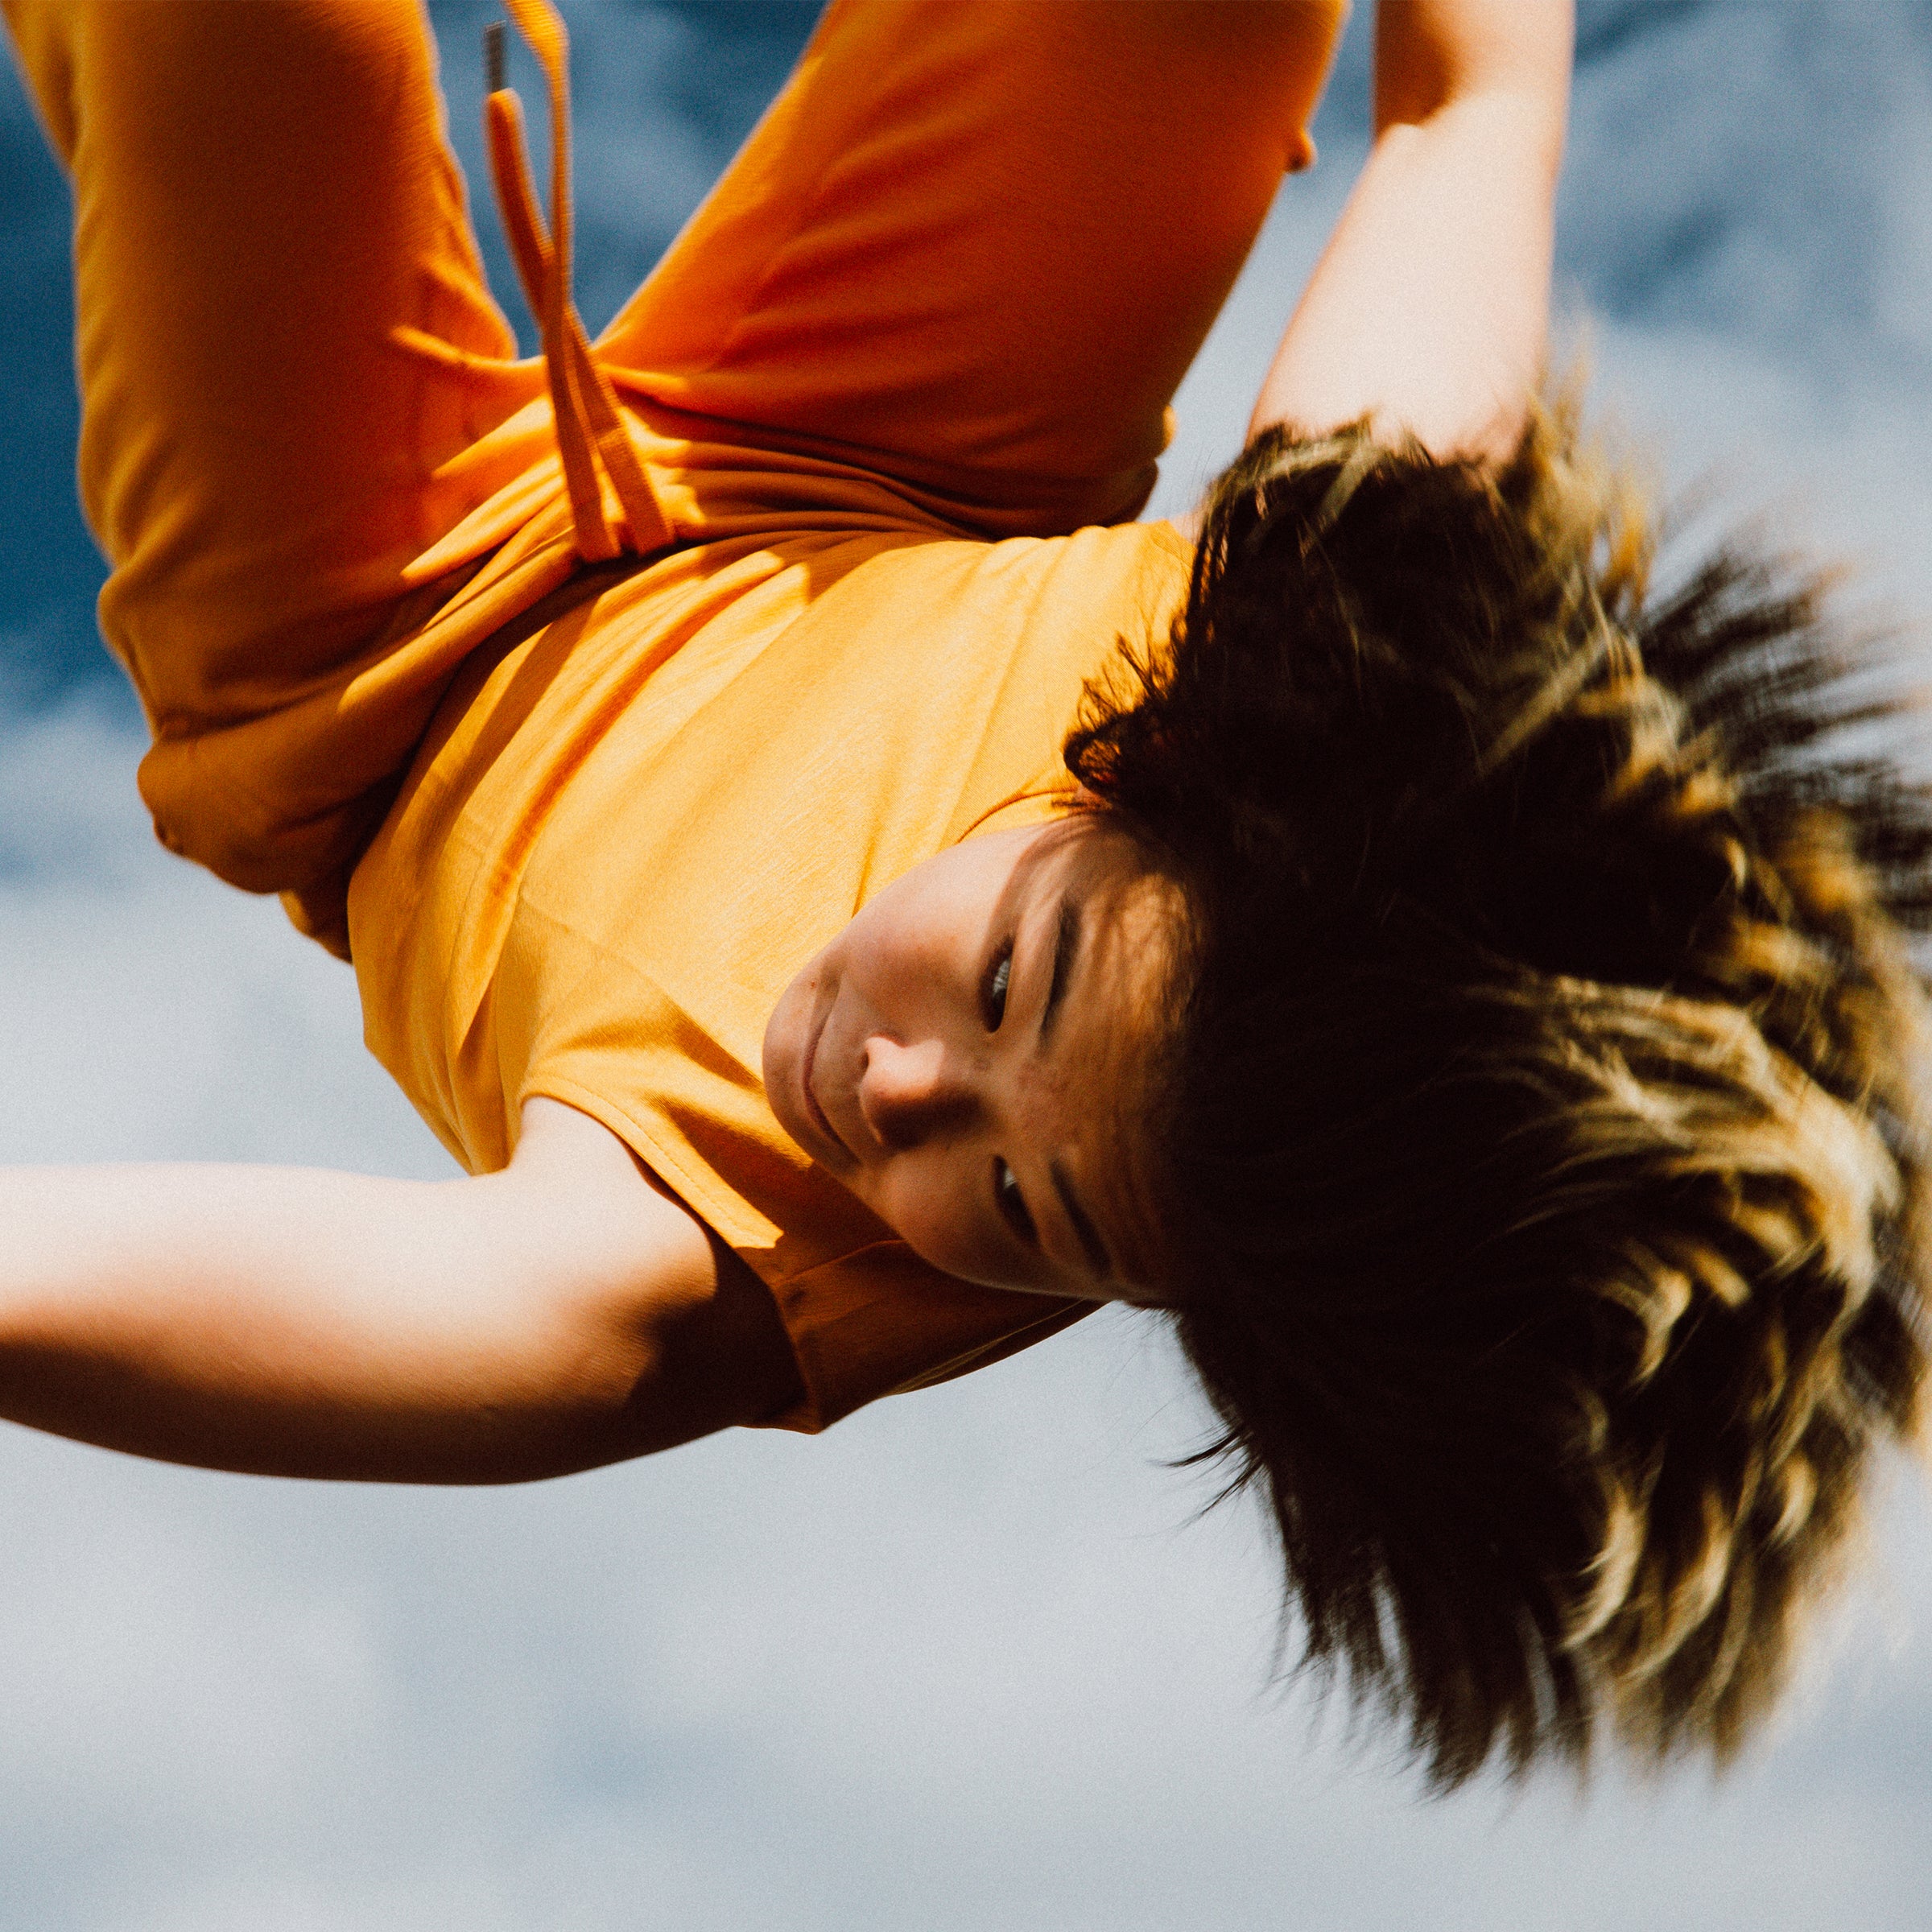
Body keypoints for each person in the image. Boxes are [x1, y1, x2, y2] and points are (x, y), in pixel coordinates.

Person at [2, 0, 1926, 1787]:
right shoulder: (1296, 660)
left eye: (1020, 1205)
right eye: (1011, 982)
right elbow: (1466, 117)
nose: (903, 1098)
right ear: (1168, 784)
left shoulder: (684, 1285)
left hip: (375, 650)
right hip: (835, 463)